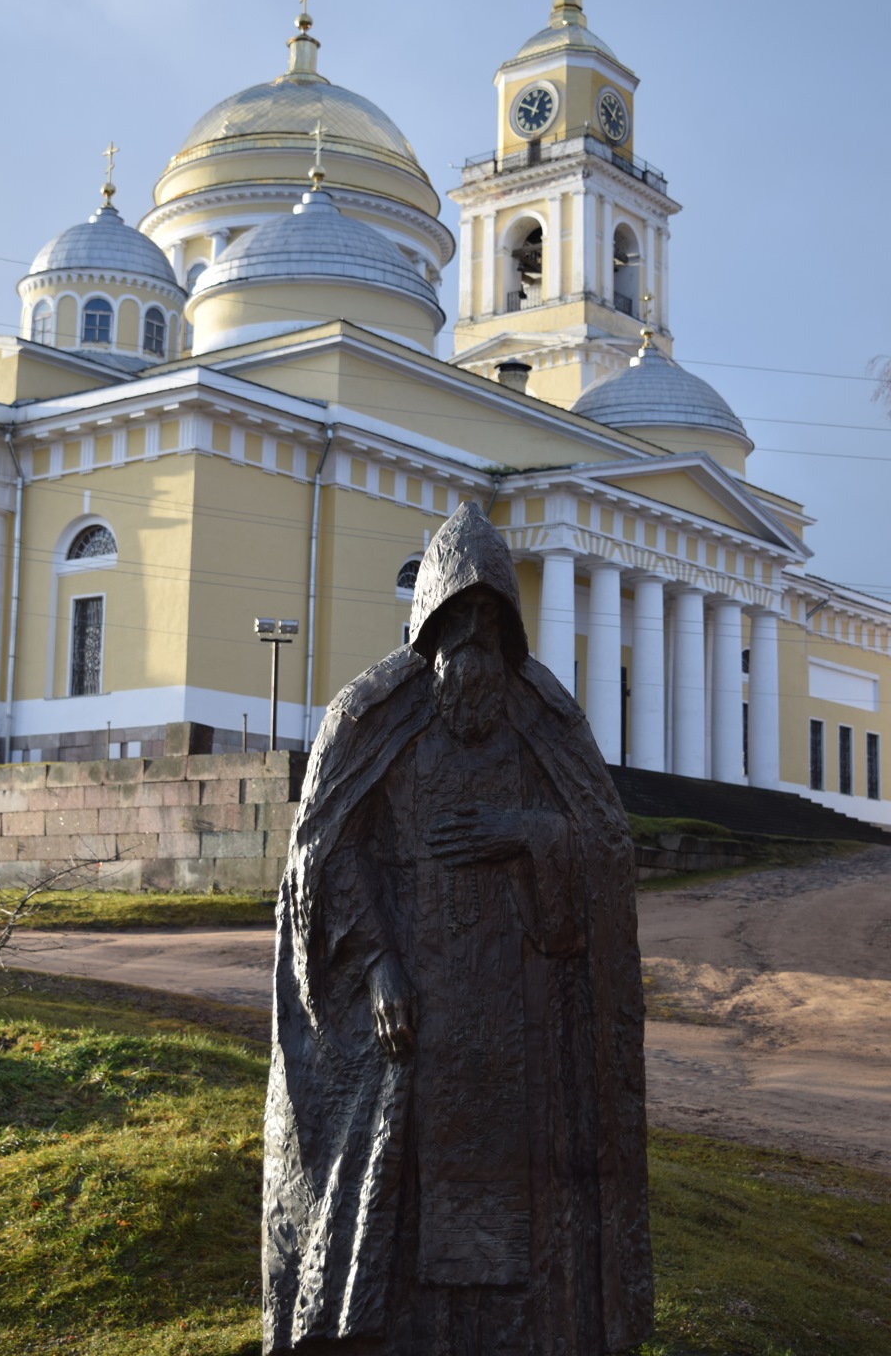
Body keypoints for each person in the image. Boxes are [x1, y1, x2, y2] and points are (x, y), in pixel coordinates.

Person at [263, 502, 652, 1356]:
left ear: (510, 631)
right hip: (413, 1008)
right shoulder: (371, 717)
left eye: (489, 624)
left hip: (516, 1011)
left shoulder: (546, 718)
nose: (471, 647)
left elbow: (602, 847)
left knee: (514, 1208)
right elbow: (327, 858)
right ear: (428, 626)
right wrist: (377, 968)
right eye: (456, 622)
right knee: (397, 1195)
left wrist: (529, 832)